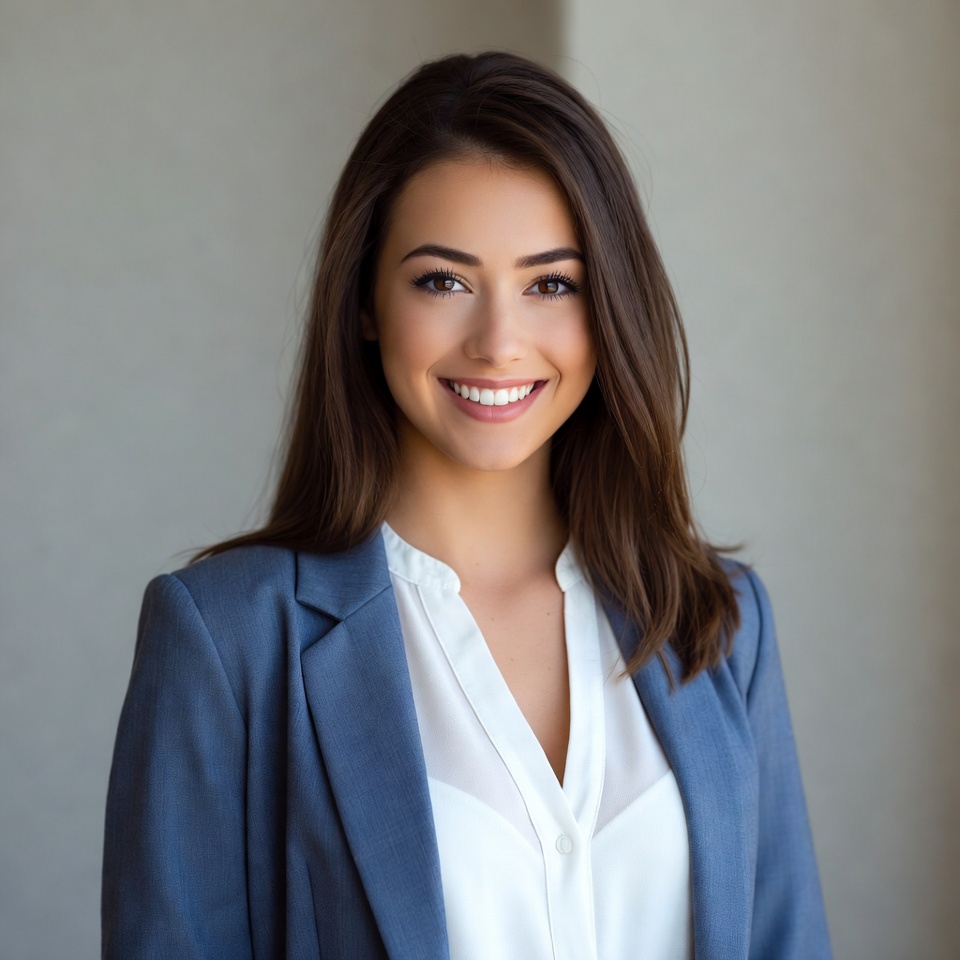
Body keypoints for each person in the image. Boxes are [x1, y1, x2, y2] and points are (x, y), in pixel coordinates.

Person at [102, 51, 832, 960]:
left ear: (609, 308)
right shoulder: (230, 639)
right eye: (442, 280)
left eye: (550, 284)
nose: (498, 341)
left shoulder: (716, 620)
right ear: (366, 300)